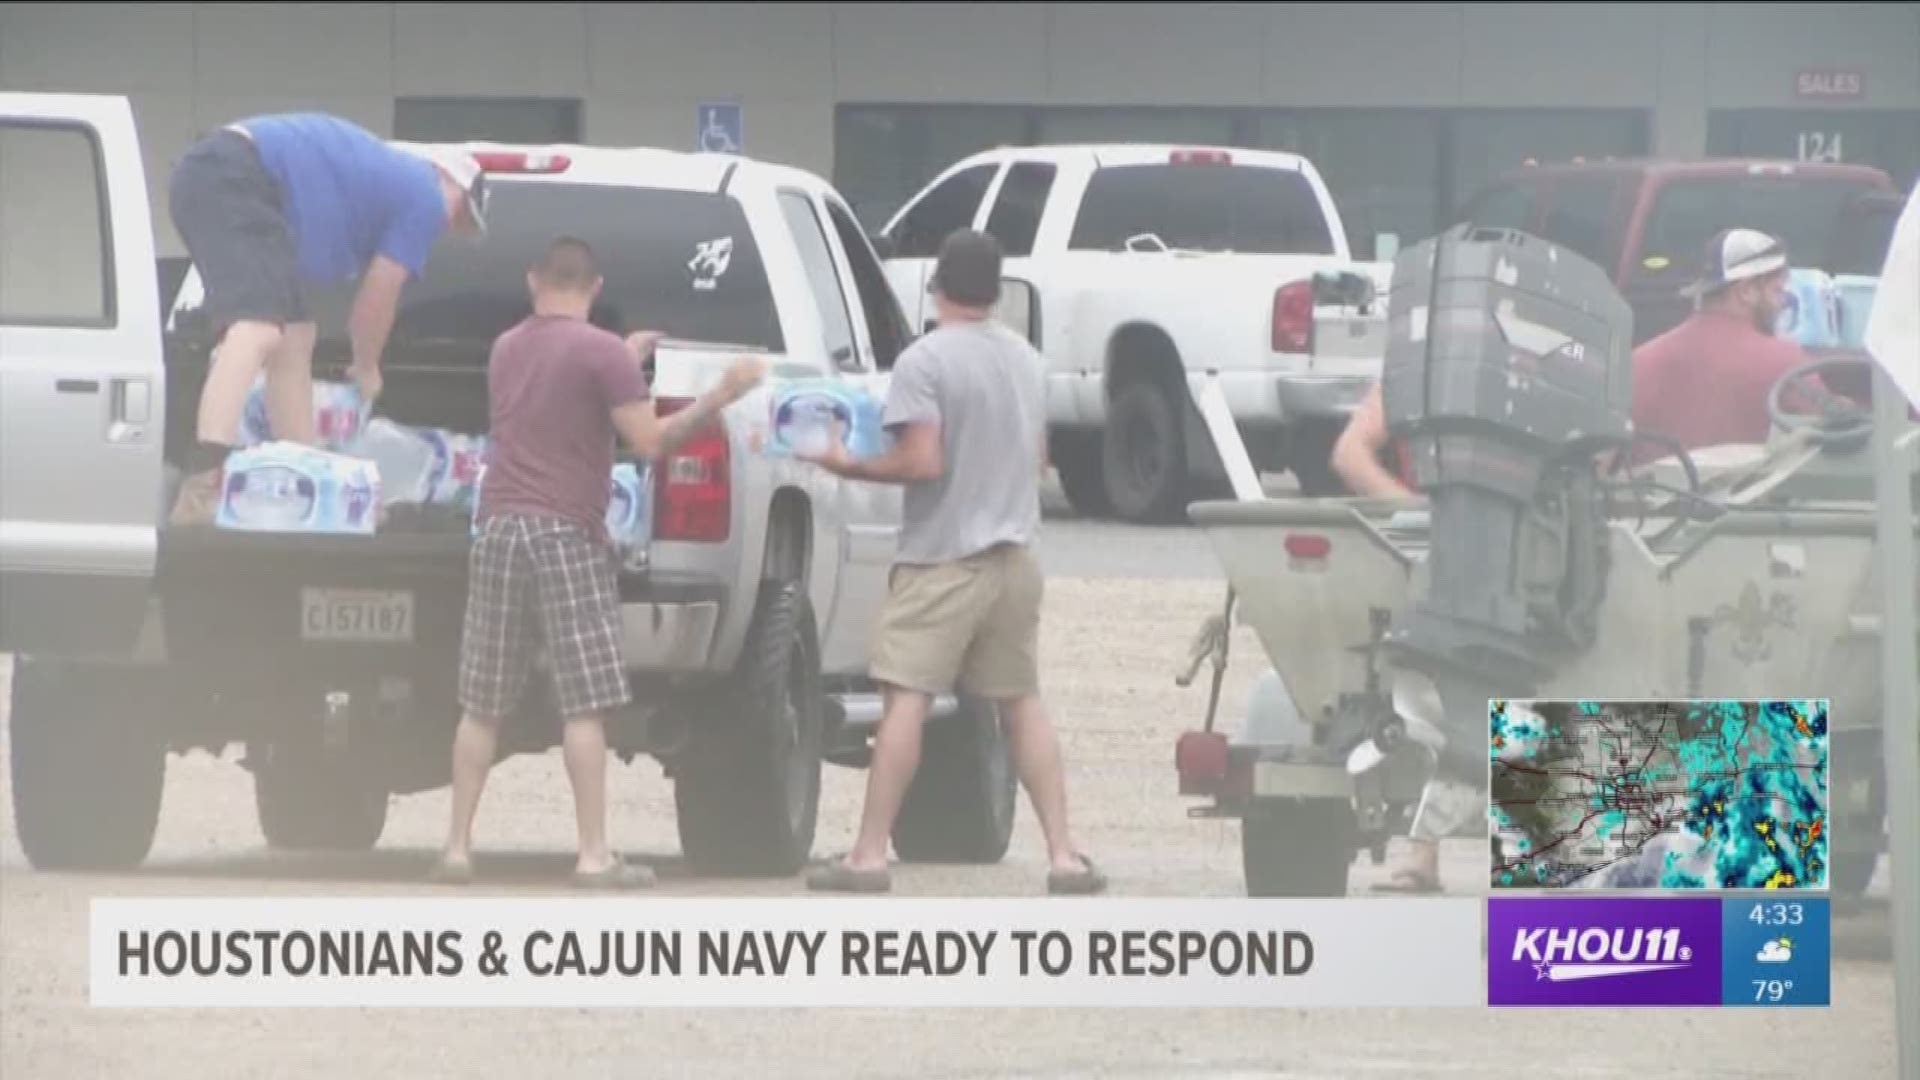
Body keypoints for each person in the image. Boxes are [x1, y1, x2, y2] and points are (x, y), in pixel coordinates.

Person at [433, 237, 766, 889]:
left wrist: (623, 358)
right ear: (595, 284)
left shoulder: (507, 349)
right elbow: (648, 440)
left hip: (499, 528)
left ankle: (455, 846)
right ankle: (592, 854)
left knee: (482, 703)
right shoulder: (601, 353)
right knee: (583, 705)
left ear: (535, 279)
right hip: (567, 534)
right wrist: (720, 395)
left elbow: (561, 377)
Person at [796, 230, 1106, 896]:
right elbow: (1039, 458)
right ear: (995, 293)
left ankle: (870, 853)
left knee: (905, 699)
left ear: (937, 286)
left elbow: (922, 461)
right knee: (1021, 703)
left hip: (943, 558)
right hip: (1016, 558)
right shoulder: (1026, 359)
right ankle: (1063, 854)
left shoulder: (925, 361)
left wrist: (843, 460)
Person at [165, 112, 487, 524]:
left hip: (230, 179)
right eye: (459, 216)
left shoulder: (374, 185)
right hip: (233, 173)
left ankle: (308, 479)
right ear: (451, 180)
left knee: (295, 337)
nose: (448, 228)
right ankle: (205, 480)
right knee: (259, 327)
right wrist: (367, 365)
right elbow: (379, 293)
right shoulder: (424, 193)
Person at [1628, 227, 1854, 463]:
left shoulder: (1640, 361)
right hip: (1746, 499)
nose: (1782, 305)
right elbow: (1834, 434)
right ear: (1746, 291)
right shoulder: (1783, 361)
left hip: (1652, 496)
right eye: (1777, 291)